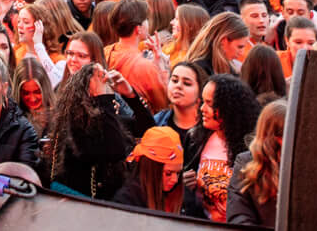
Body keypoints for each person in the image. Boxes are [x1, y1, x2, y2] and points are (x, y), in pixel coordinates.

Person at [45, 65, 134, 200]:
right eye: (99, 77)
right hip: (81, 205)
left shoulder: (109, 119)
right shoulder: (74, 124)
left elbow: (147, 127)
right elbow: (116, 151)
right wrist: (105, 100)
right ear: (87, 91)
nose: (105, 80)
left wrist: (130, 95)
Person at [185, 75, 262, 221]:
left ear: (228, 108)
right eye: (203, 102)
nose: (202, 109)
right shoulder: (195, 139)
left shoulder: (252, 148)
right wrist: (185, 184)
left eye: (210, 103)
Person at [225, 100, 285, 227]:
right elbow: (239, 215)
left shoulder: (304, 164)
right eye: (285, 134)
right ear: (273, 137)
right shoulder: (246, 164)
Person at [114, 126, 184, 212]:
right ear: (151, 170)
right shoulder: (127, 201)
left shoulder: (184, 198)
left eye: (178, 173)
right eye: (168, 173)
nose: (175, 180)